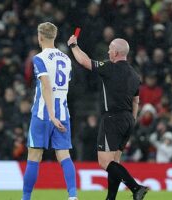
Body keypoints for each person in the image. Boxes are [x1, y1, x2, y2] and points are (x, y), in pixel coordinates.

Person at [67, 36, 148, 200]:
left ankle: (136, 188)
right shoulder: (134, 75)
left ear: (116, 53)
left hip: (112, 118)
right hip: (127, 120)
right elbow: (136, 101)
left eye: (110, 48)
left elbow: (85, 61)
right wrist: (132, 120)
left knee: (104, 162)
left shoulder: (110, 67)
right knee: (114, 163)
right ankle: (110, 198)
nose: (108, 51)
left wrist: (74, 46)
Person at [22, 22, 77, 200]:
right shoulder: (66, 59)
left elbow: (46, 85)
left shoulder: (39, 58)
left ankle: (26, 198)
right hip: (63, 113)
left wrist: (51, 115)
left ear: (40, 37)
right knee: (64, 155)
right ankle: (73, 196)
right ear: (54, 36)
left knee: (34, 155)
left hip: (43, 113)